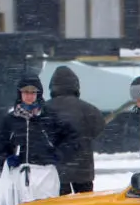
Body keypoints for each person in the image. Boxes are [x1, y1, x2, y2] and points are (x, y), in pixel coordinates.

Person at [0, 74, 79, 205]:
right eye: (26, 92)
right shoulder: (10, 120)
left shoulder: (49, 117)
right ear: (19, 93)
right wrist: (6, 161)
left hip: (46, 175)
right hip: (18, 175)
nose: (29, 96)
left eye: (33, 92)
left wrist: (59, 156)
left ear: (39, 94)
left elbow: (72, 138)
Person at [45, 65, 106, 195]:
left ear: (52, 86)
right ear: (75, 85)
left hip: (57, 170)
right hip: (84, 168)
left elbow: (42, 135)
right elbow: (99, 126)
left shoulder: (45, 109)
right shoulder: (89, 109)